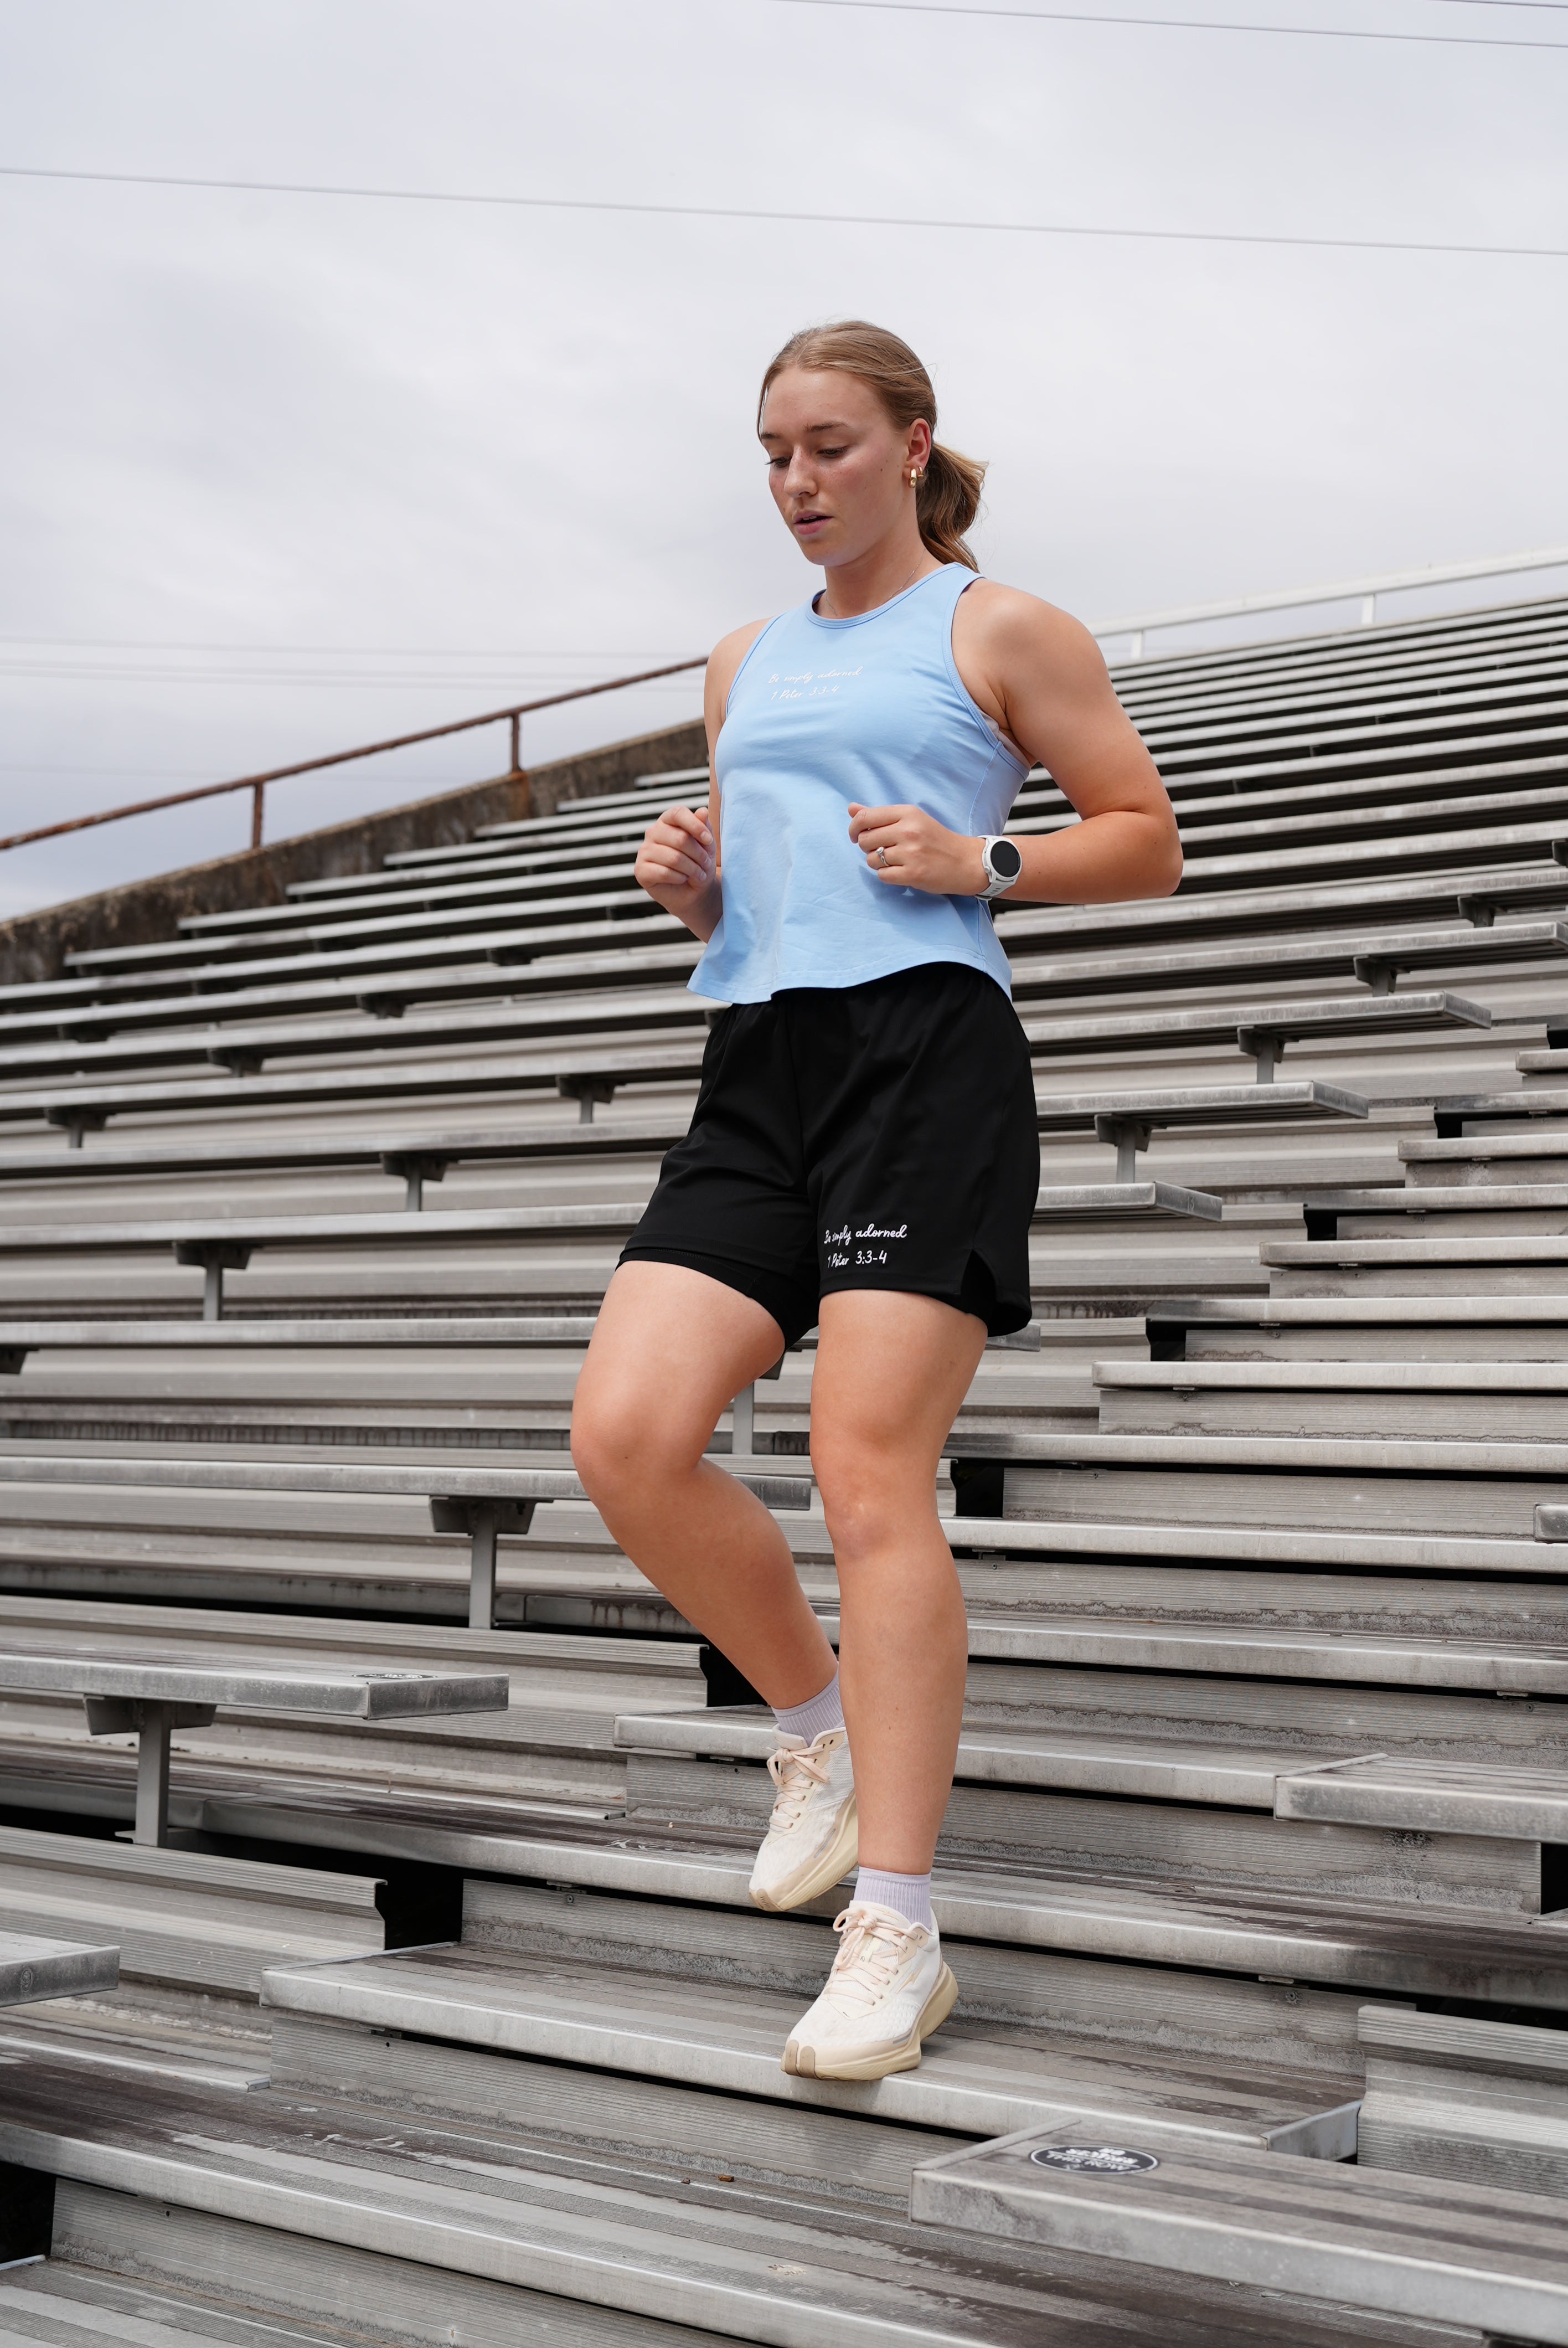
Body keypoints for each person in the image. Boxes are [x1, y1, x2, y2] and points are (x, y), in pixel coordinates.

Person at [571, 320, 1180, 2083]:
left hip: (931, 1063)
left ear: (913, 446)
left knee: (864, 1469)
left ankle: (896, 1928)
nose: (795, 481)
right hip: (761, 1064)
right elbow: (762, 892)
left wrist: (984, 857)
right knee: (626, 1432)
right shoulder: (743, 656)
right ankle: (815, 1734)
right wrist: (694, 888)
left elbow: (1144, 833)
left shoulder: (997, 626)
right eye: (772, 451)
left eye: (829, 445)